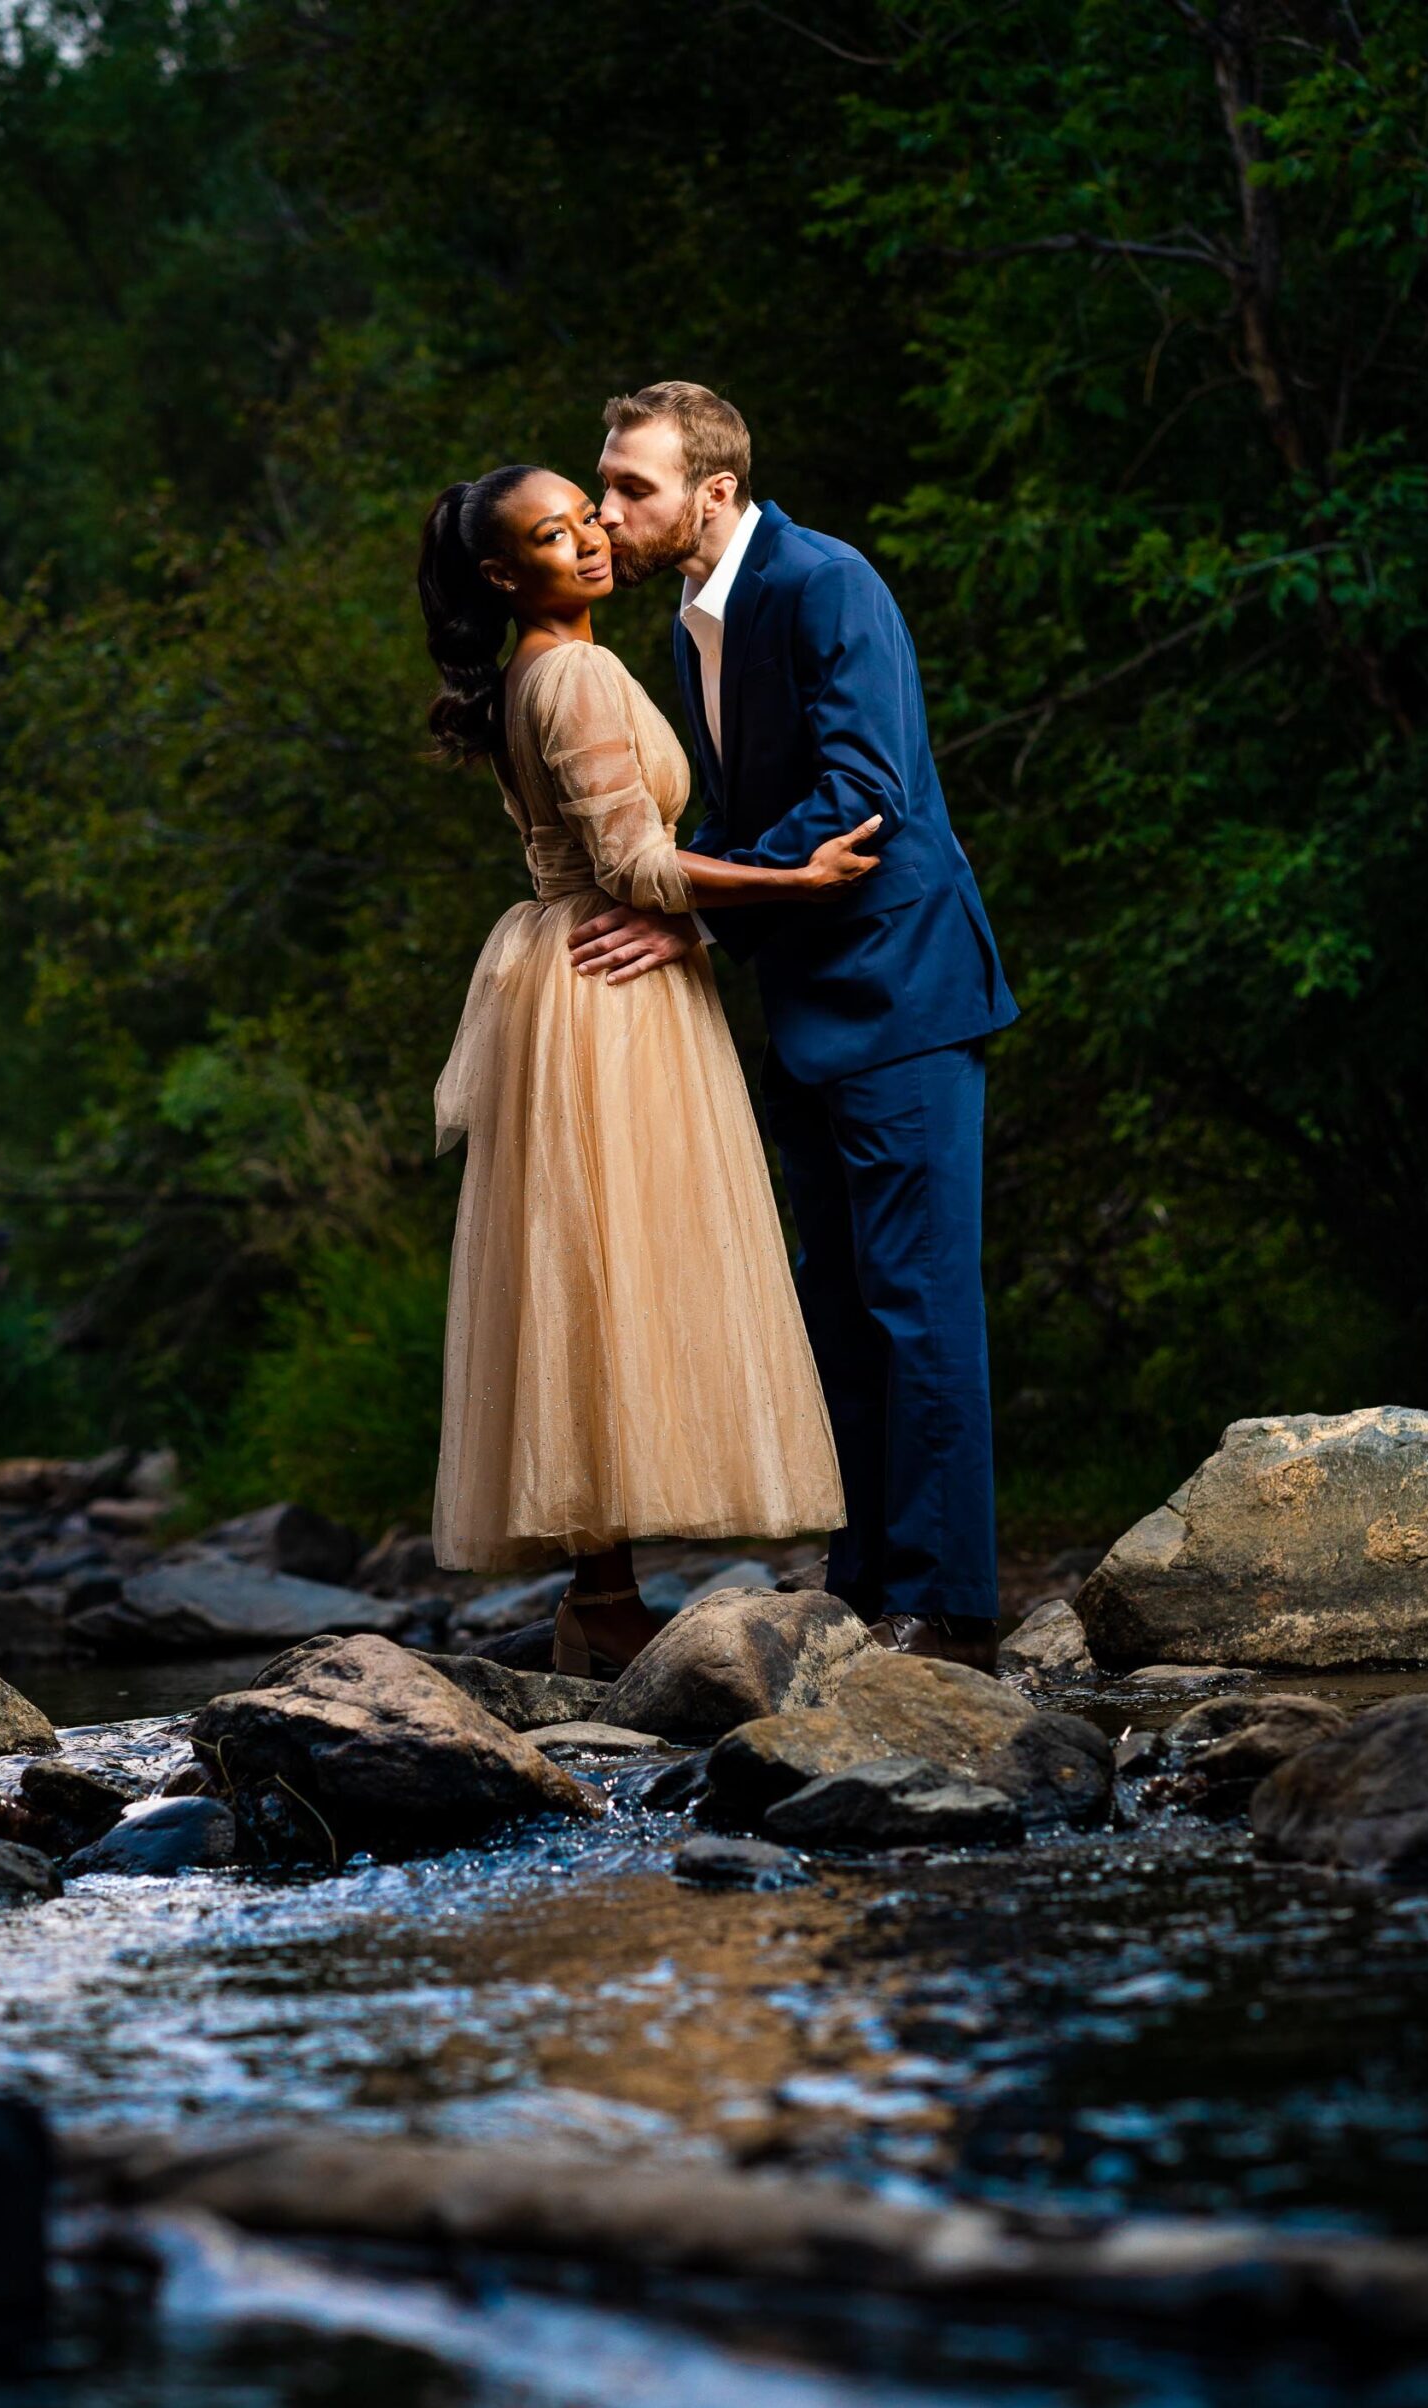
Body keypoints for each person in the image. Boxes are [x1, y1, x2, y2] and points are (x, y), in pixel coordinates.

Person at [417, 463, 881, 1676]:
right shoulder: (568, 671)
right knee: (613, 1272)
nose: (586, 543)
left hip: (571, 979)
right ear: (500, 573)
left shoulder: (536, 669)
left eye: (585, 518)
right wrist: (795, 880)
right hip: (607, 989)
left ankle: (599, 1595)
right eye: (549, 535)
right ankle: (606, 1601)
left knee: (590, 1270)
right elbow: (633, 867)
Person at [582, 383, 1019, 1670]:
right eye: (604, 484)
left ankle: (948, 1615)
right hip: (811, 1006)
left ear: (713, 492)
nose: (609, 511)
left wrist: (700, 920)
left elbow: (864, 797)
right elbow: (739, 809)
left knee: (918, 1305)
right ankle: (868, 1581)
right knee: (838, 1304)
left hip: (905, 993)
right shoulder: (688, 623)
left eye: (633, 488)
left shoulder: (827, 583)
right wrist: (687, 896)